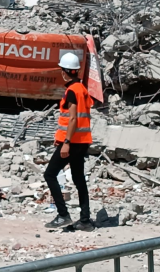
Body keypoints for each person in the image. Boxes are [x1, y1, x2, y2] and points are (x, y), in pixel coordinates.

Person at [44, 53, 95, 232]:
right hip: (82, 142)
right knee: (79, 179)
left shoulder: (72, 91)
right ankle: (85, 220)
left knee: (49, 174)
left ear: (65, 72)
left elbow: (72, 119)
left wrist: (65, 142)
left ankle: (63, 215)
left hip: (72, 142)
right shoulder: (82, 88)